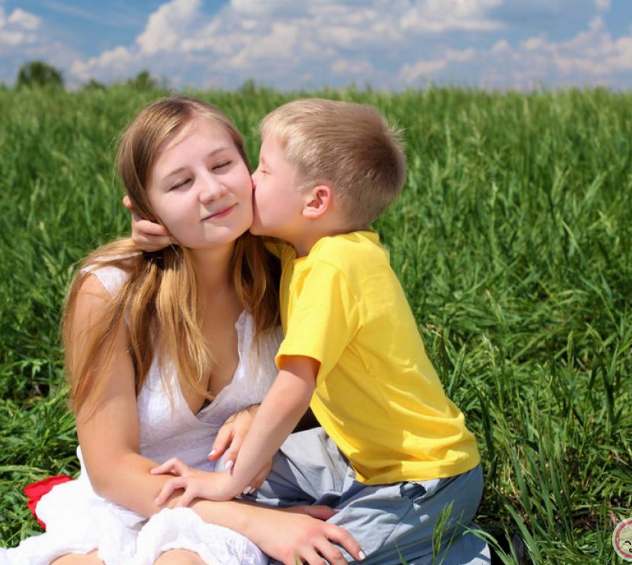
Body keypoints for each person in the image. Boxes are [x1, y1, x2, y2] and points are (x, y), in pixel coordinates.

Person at [0, 96, 364, 565]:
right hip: (132, 497)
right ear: (144, 208)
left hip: (255, 492)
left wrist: (260, 415)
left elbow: (332, 396)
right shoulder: (109, 292)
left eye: (223, 165)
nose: (211, 190)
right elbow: (113, 469)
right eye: (180, 183)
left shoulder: (290, 268)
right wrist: (255, 522)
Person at [132, 98, 491, 565]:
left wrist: (226, 484)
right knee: (242, 484)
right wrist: (161, 226)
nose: (249, 182)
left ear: (316, 201)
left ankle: (469, 553)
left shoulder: (336, 267)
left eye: (262, 170)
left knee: (317, 554)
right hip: (355, 453)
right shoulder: (304, 246)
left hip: (425, 477)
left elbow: (294, 387)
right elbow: (216, 229)